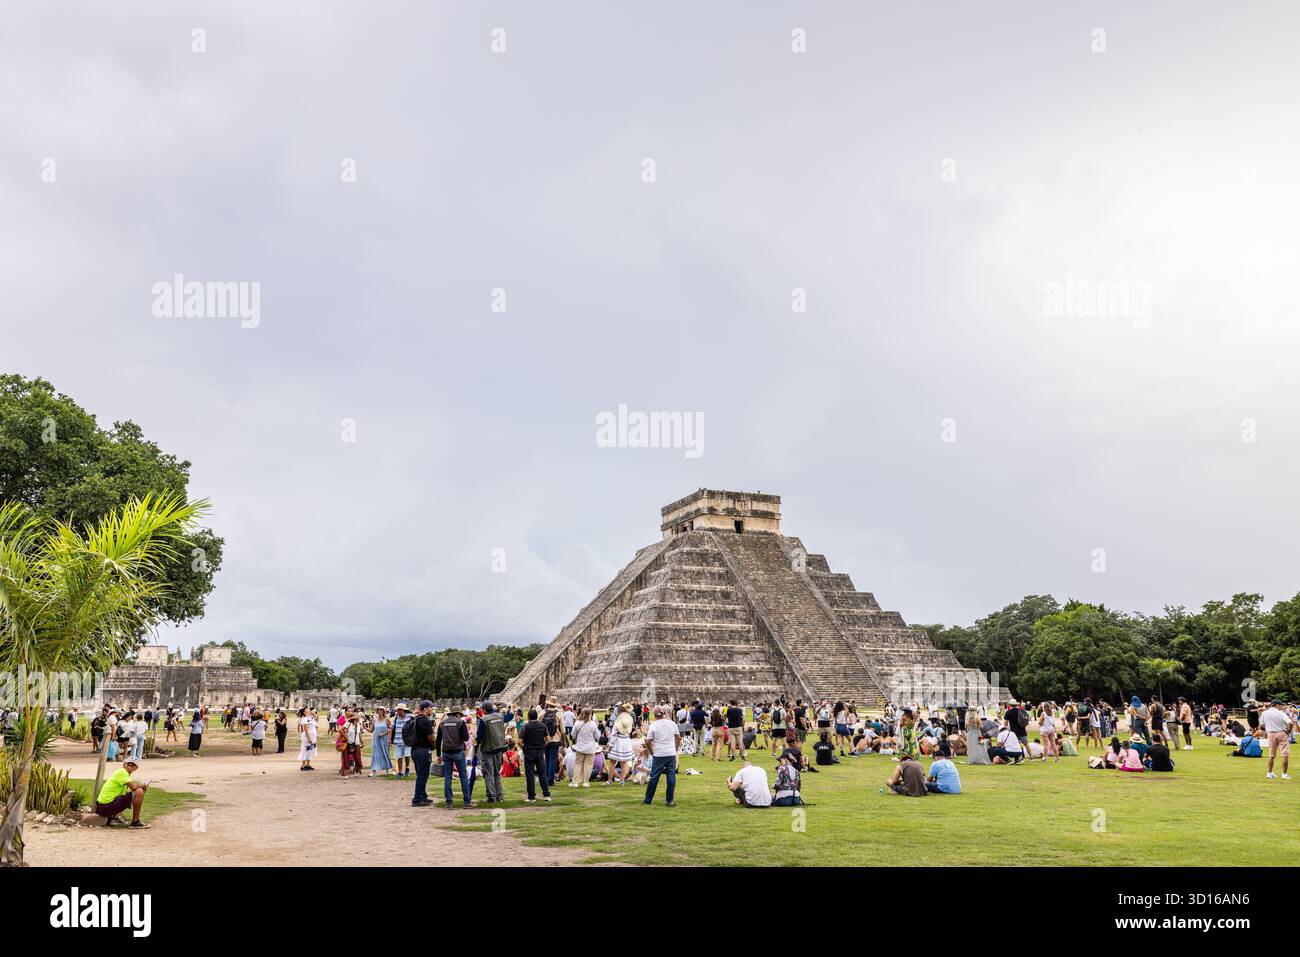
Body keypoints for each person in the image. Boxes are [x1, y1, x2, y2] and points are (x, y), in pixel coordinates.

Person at [435, 706, 475, 808]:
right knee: (463, 776)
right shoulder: (461, 722)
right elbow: (466, 738)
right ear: (458, 714)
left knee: (448, 777)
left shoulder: (442, 723)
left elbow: (438, 740)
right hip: (458, 751)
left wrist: (438, 755)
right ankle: (467, 801)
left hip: (446, 752)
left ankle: (449, 802)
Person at [93, 758, 149, 828]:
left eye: (132, 765)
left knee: (137, 792)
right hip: (105, 806)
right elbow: (134, 787)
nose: (129, 766)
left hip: (103, 807)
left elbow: (129, 794)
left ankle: (115, 818)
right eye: (128, 764)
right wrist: (142, 786)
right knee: (139, 791)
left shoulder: (125, 775)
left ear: (136, 768)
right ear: (124, 764)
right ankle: (135, 821)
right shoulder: (122, 771)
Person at [642, 705, 680, 806]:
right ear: (664, 713)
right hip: (670, 753)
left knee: (654, 777)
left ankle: (648, 799)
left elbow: (648, 741)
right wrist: (675, 749)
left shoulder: (654, 725)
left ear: (654, 715)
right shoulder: (672, 724)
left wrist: (652, 752)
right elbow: (678, 738)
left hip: (659, 753)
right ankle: (669, 800)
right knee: (671, 777)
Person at [475, 702, 509, 802]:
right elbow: (510, 716)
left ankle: (491, 796)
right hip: (499, 748)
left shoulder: (484, 720)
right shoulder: (500, 716)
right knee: (496, 773)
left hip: (488, 749)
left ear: (485, 709)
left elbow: (480, 736)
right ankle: (500, 796)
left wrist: (477, 742)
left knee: (488, 773)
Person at [520, 708, 552, 802]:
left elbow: (519, 741)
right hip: (540, 752)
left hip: (529, 752)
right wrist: (542, 746)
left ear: (528, 716)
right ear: (536, 716)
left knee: (530, 775)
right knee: (542, 774)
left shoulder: (525, 727)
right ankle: (546, 794)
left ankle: (531, 796)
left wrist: (524, 749)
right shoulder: (543, 726)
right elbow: (548, 739)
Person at [409, 700, 437, 807]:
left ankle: (423, 796)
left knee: (420, 774)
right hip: (423, 750)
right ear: (425, 709)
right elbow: (431, 738)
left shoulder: (416, 719)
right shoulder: (425, 721)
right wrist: (434, 747)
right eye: (431, 708)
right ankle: (417, 799)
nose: (432, 710)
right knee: (422, 775)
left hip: (415, 750)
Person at [1260, 698, 1292, 779]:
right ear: (1277, 705)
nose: (1281, 707)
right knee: (1285, 754)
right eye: (1281, 705)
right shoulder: (1281, 713)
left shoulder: (1264, 713)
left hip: (1270, 734)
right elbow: (1290, 723)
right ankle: (1284, 774)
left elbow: (1262, 725)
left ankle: (1269, 773)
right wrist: (1288, 731)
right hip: (1281, 732)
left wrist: (1268, 727)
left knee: (1271, 755)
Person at [568, 707, 600, 787]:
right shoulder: (593, 724)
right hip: (590, 747)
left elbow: (572, 734)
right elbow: (597, 736)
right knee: (588, 765)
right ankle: (586, 782)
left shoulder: (577, 723)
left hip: (580, 747)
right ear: (590, 714)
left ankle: (575, 782)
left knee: (578, 764)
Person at [369, 707, 393, 777]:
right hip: (376, 740)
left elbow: (390, 729)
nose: (379, 711)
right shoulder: (374, 720)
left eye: (381, 710)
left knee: (385, 752)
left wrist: (384, 734)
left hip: (384, 739)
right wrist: (364, 727)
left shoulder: (387, 720)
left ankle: (388, 769)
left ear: (383, 711)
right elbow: (371, 730)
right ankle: (373, 771)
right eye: (378, 710)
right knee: (375, 753)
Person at [391, 703, 412, 779]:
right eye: (397, 710)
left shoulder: (410, 718)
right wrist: (390, 739)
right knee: (399, 757)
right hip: (397, 740)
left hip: (407, 741)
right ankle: (400, 772)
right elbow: (392, 728)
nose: (398, 712)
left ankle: (407, 768)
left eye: (399, 710)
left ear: (403, 710)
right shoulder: (396, 719)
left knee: (407, 756)